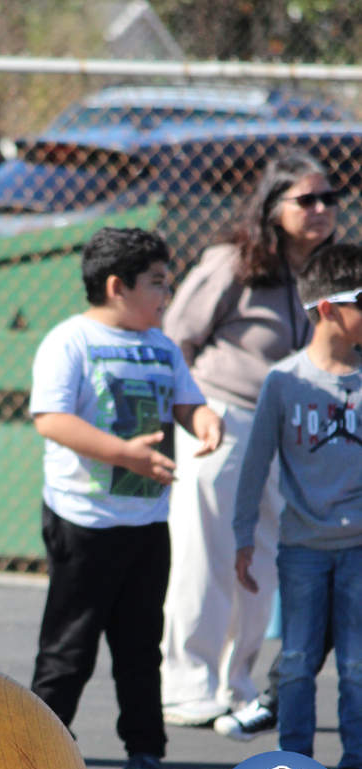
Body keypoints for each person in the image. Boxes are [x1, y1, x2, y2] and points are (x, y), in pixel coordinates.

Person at [29, 227, 223, 769]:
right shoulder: (71, 341)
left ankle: (144, 755)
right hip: (84, 522)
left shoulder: (161, 346)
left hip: (146, 524)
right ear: (118, 286)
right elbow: (51, 419)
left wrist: (204, 419)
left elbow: (185, 400)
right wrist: (123, 454)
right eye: (158, 283)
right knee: (69, 648)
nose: (168, 293)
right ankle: (37, 751)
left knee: (140, 648)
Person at [160, 151, 337, 728]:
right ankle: (188, 683)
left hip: (291, 430)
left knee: (263, 557)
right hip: (223, 418)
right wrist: (192, 414)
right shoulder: (231, 261)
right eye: (305, 199)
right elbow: (176, 340)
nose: (320, 209)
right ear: (273, 206)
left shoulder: (335, 270)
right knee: (206, 551)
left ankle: (236, 683)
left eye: (329, 199)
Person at [233, 243, 362, 769]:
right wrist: (242, 537)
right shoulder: (285, 382)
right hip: (302, 551)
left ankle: (356, 766)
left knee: (358, 663)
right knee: (299, 662)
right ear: (328, 307)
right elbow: (254, 463)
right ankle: (294, 765)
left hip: (358, 549)